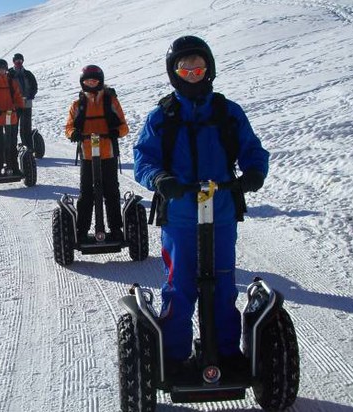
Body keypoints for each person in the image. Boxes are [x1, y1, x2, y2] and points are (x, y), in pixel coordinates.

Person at [133, 36, 269, 374]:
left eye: (199, 67)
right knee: (180, 288)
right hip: (179, 214)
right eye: (185, 68)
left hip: (221, 211)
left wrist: (254, 170)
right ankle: (175, 356)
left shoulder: (227, 112)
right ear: (174, 72)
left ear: (209, 69)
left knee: (223, 285)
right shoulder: (162, 116)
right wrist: (160, 179)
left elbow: (252, 148)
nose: (193, 73)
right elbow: (143, 158)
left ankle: (225, 353)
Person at [65, 65, 129, 242]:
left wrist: (116, 132)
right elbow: (69, 127)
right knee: (86, 194)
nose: (91, 84)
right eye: (87, 81)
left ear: (100, 81)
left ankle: (116, 229)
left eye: (94, 81)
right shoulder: (78, 105)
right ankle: (82, 231)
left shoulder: (110, 101)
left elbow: (124, 125)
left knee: (111, 192)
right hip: (87, 155)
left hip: (107, 153)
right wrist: (73, 134)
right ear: (82, 83)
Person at [7, 53, 38, 149]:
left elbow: (34, 86)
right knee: (12, 127)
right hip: (12, 106)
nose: (19, 62)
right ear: (13, 62)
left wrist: (31, 95)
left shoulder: (28, 74)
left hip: (27, 104)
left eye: (20, 60)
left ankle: (28, 148)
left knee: (26, 127)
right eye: (17, 61)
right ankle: (11, 149)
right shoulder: (9, 74)